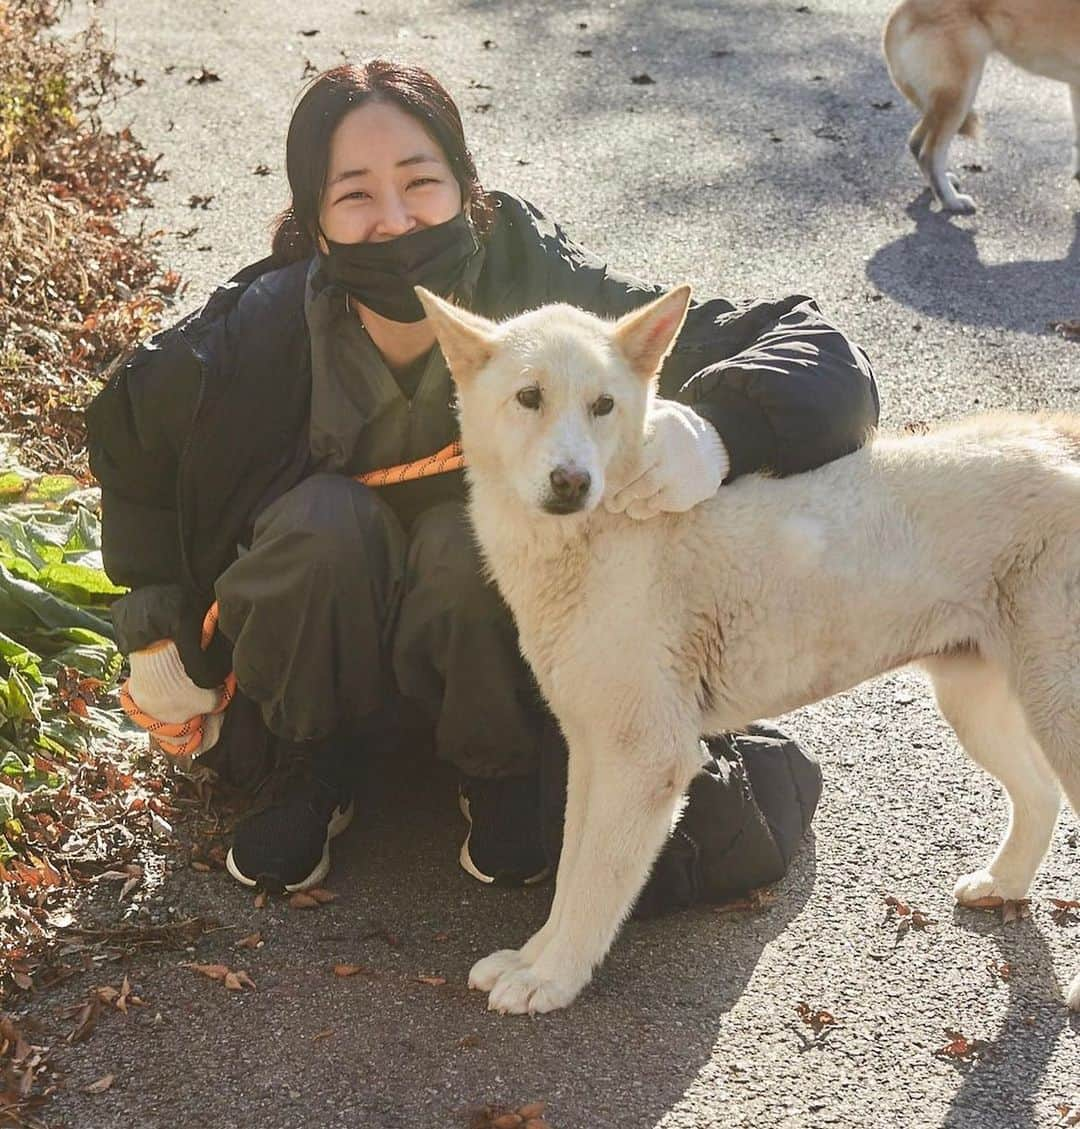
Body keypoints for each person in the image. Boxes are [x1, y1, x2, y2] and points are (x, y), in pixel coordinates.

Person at [85, 60, 879, 905]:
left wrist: (717, 430)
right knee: (326, 522)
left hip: (494, 656)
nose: (394, 221)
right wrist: (151, 622)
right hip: (310, 647)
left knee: (464, 534)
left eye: (421, 182)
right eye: (353, 194)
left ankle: (495, 773)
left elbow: (823, 359)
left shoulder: (552, 303)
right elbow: (132, 444)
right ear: (313, 225)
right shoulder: (251, 336)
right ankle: (313, 766)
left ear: (468, 189)